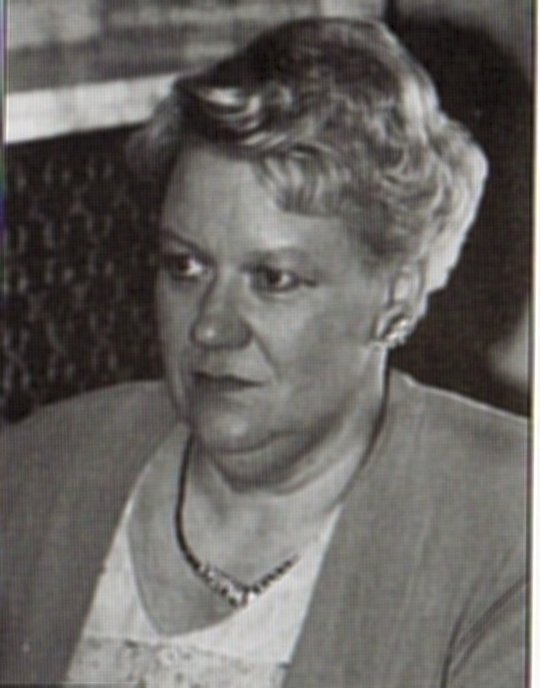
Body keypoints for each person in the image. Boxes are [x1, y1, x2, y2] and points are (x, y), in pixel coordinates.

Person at [0, 17, 527, 687]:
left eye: (273, 279)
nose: (211, 329)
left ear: (395, 296)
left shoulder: (509, 520)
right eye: (185, 266)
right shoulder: (37, 468)